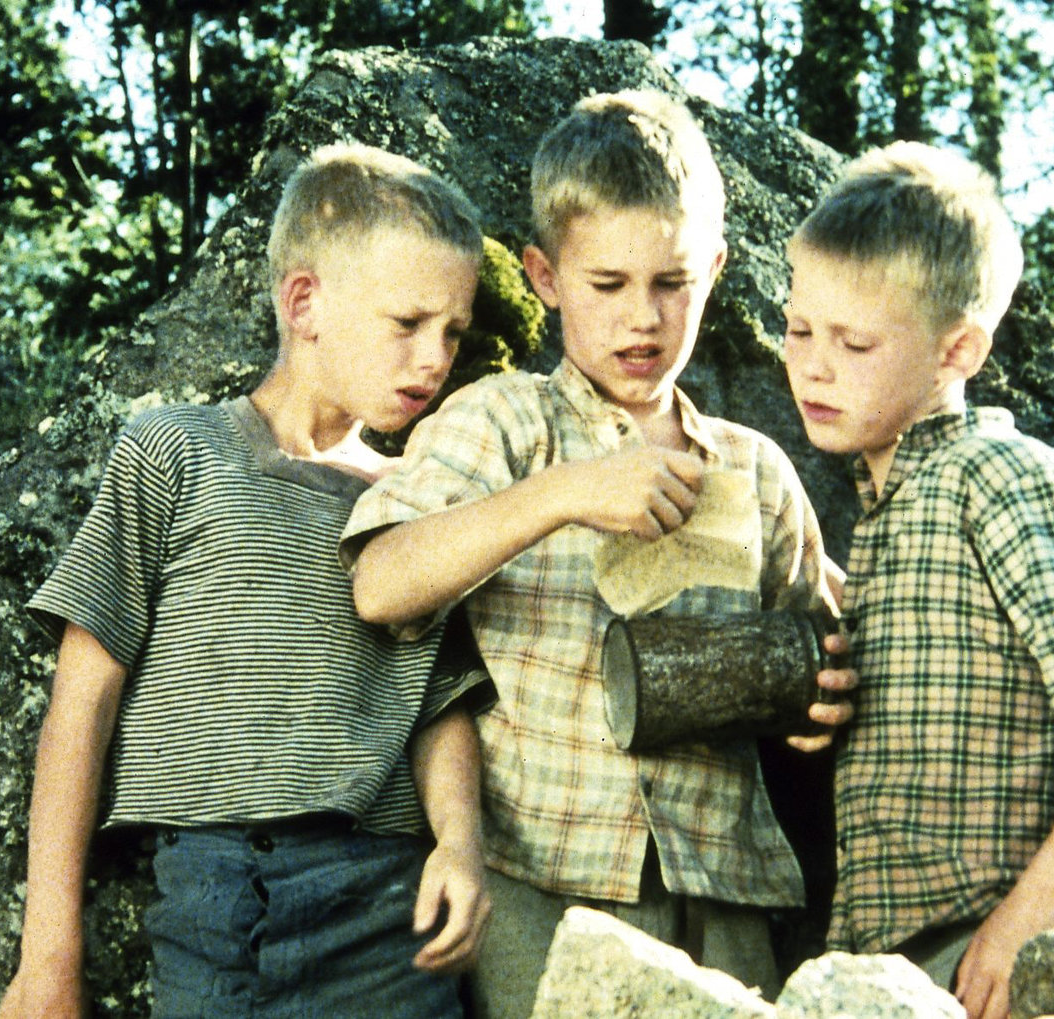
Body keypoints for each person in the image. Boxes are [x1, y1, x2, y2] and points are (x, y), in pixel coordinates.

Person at [338, 90, 855, 1018]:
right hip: (540, 878)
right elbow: (379, 583)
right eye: (607, 285)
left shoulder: (755, 468)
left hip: (722, 889)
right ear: (543, 275)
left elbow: (815, 646)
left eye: (672, 283)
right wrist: (563, 494)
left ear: (715, 271)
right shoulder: (503, 421)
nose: (642, 319)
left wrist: (819, 700)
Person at [0, 143, 494, 1019]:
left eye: (452, 331)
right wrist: (49, 957)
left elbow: (439, 706)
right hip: (222, 903)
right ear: (304, 302)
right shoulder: (175, 451)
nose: (434, 357)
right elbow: (81, 703)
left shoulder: (416, 506)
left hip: (391, 912)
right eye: (408, 322)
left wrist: (461, 841)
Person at [780, 140, 1054, 1019]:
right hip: (906, 959)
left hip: (1035, 955)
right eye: (798, 330)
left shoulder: (1001, 478)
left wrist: (1031, 924)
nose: (814, 364)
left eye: (854, 341)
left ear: (958, 351)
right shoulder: (885, 514)